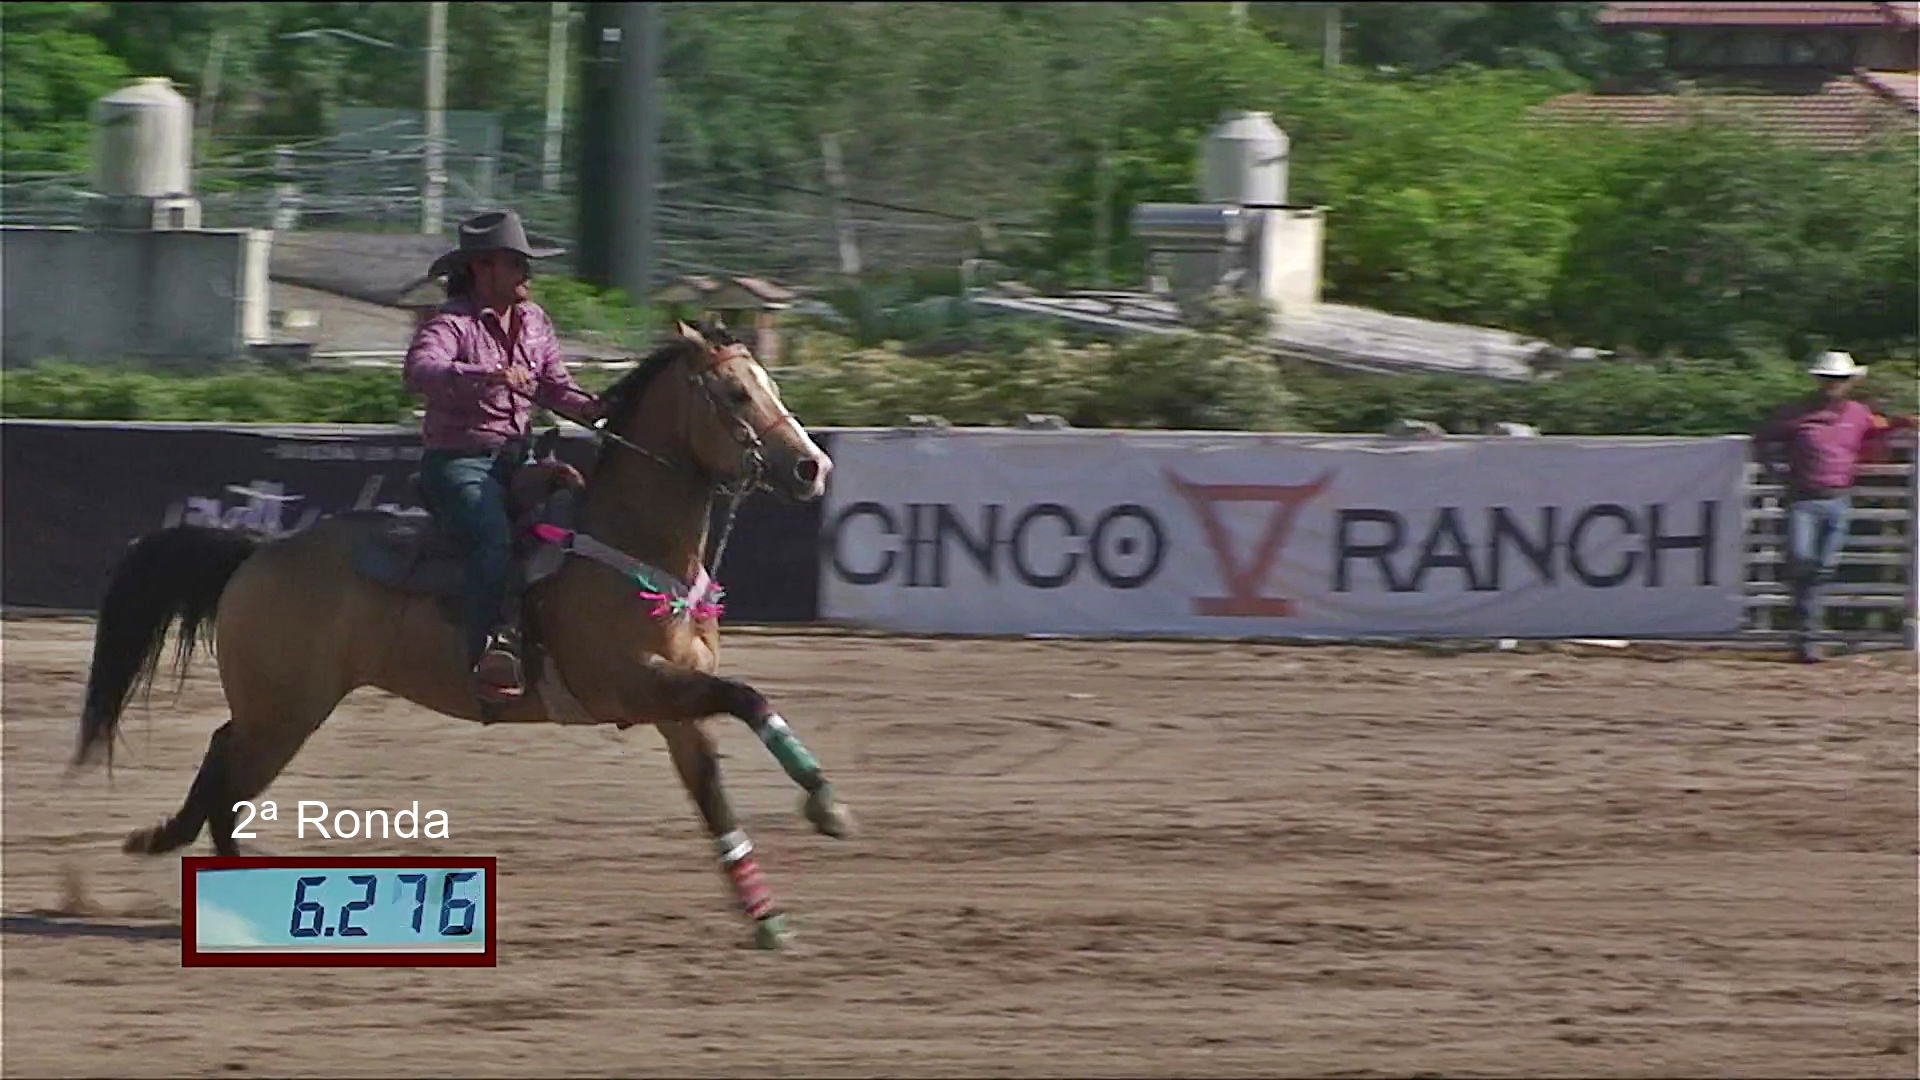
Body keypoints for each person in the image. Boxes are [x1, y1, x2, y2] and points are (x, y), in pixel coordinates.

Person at [404, 209, 606, 701]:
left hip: (520, 459)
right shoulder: (451, 323)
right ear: (482, 268)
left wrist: (594, 408)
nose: (526, 273)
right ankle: (486, 655)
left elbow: (555, 387)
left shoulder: (535, 321)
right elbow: (420, 370)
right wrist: (486, 376)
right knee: (491, 539)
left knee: (581, 515)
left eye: (525, 263)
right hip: (458, 461)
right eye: (515, 262)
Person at [1752, 350, 1914, 662]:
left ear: (1849, 382)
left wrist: (1900, 424)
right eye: (1829, 379)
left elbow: (1878, 428)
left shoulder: (1858, 413)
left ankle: (1806, 634)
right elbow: (1762, 439)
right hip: (1804, 496)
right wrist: (1775, 472)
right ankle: (1807, 634)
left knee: (1820, 567)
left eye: (1839, 379)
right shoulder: (1798, 413)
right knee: (1805, 561)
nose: (1833, 384)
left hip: (1836, 497)